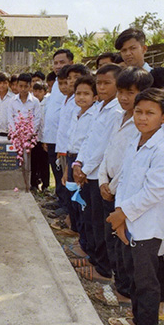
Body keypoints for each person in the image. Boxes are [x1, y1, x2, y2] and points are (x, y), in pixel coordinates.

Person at [107, 88, 164, 325]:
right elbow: (125, 180)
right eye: (138, 112)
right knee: (133, 278)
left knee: (147, 284)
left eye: (150, 113)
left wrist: (121, 213)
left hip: (148, 227)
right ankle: (136, 318)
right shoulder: (136, 140)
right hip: (128, 223)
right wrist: (121, 218)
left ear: (162, 117)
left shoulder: (161, 147)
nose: (142, 117)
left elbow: (154, 191)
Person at [97, 67, 153, 309]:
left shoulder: (143, 125)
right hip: (110, 186)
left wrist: (112, 185)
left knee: (127, 247)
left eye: (130, 92)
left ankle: (126, 293)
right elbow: (109, 150)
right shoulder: (117, 116)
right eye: (120, 92)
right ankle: (121, 286)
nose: (123, 98)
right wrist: (101, 179)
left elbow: (130, 166)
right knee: (114, 242)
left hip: (124, 194)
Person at [73, 63, 123, 283]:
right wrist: (79, 163)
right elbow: (90, 139)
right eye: (99, 83)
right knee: (91, 219)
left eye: (106, 83)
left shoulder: (117, 111)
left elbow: (104, 147)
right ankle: (94, 258)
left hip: (98, 175)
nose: (101, 87)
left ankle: (103, 268)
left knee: (102, 224)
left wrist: (85, 169)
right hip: (88, 172)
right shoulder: (100, 107)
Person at [53, 64, 90, 220]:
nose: (71, 81)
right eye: (69, 78)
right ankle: (69, 213)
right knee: (66, 181)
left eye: (76, 77)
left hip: (79, 154)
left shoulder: (83, 105)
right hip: (65, 148)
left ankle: (72, 217)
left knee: (76, 188)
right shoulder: (67, 99)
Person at [64, 75, 98, 244]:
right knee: (73, 201)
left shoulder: (94, 115)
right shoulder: (75, 113)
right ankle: (78, 235)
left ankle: (84, 242)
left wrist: (82, 167)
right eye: (78, 93)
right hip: (71, 160)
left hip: (83, 162)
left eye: (86, 94)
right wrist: (66, 168)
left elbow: (89, 143)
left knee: (83, 203)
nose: (81, 97)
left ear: (95, 97)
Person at [42, 49, 73, 211]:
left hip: (65, 142)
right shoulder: (56, 84)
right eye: (55, 63)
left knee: (65, 175)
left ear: (71, 63)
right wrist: (47, 138)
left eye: (62, 62)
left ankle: (66, 207)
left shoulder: (73, 86)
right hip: (53, 138)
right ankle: (60, 200)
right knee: (57, 173)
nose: (58, 66)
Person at [31, 81, 50, 192]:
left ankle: (45, 185)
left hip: (44, 138)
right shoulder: (32, 103)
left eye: (40, 91)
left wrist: (45, 139)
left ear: (45, 92)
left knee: (44, 163)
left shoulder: (48, 103)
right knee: (34, 162)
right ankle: (34, 184)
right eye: (35, 91)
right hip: (34, 137)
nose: (37, 93)